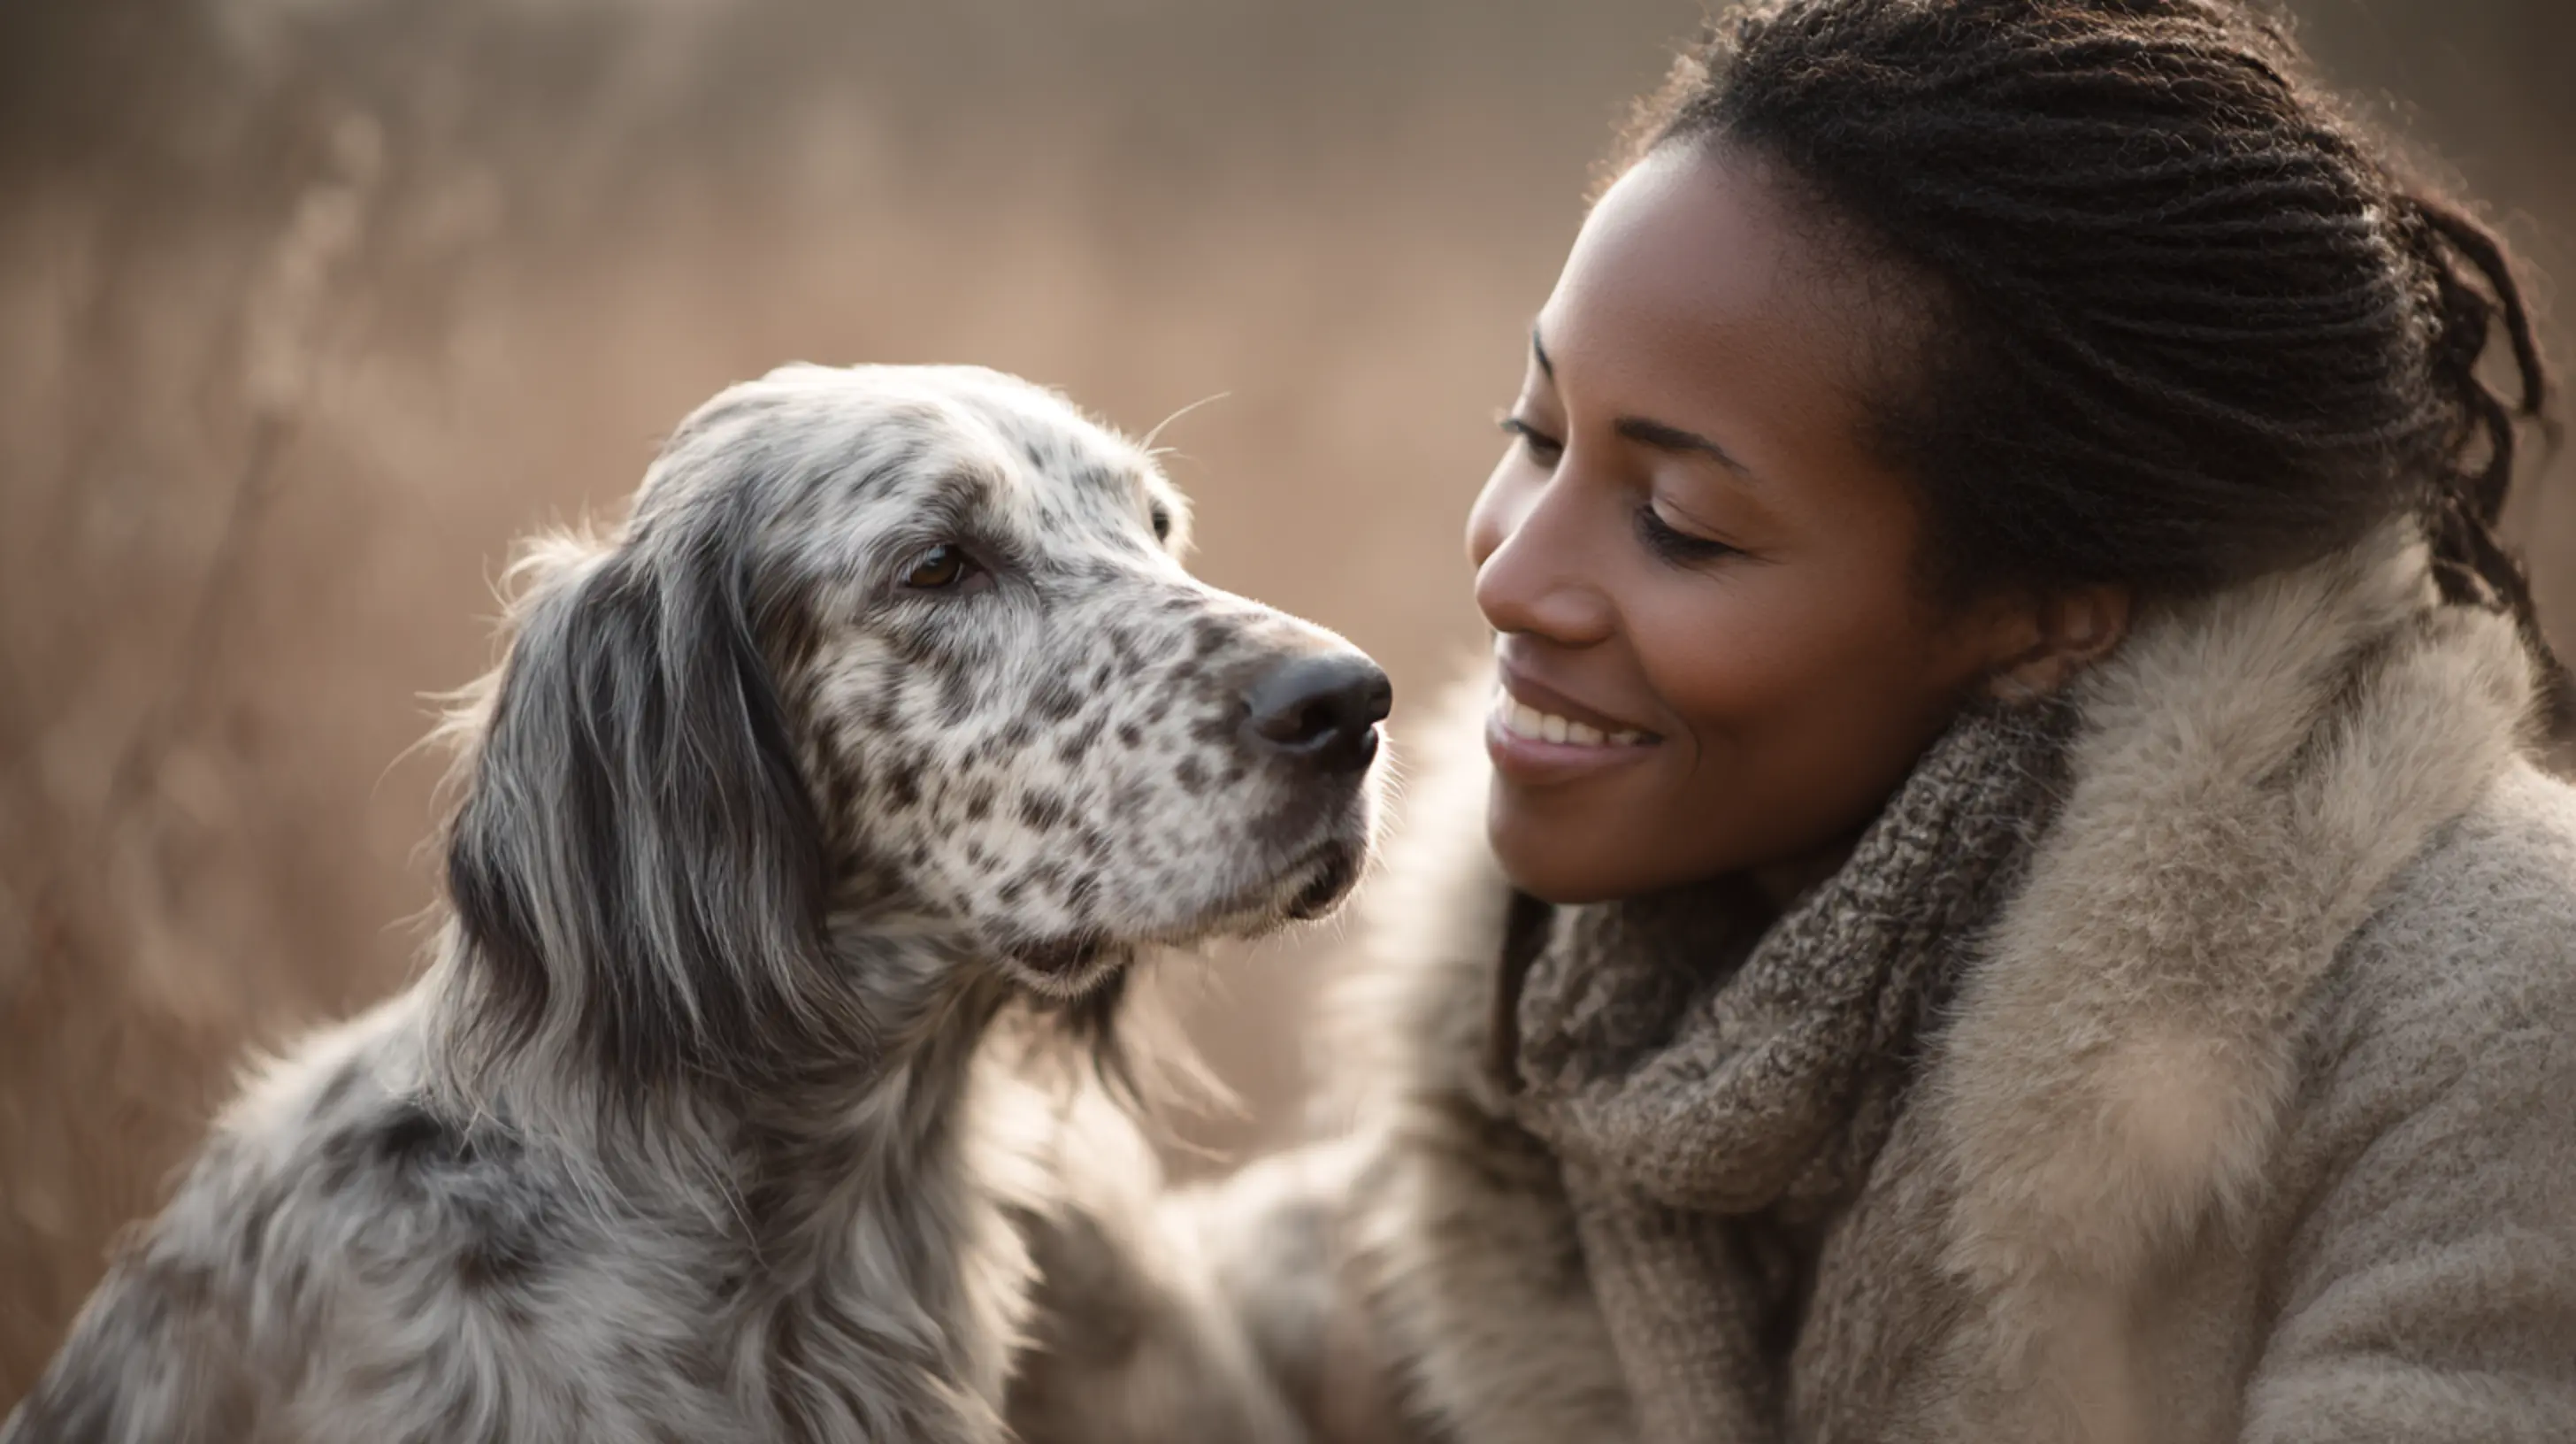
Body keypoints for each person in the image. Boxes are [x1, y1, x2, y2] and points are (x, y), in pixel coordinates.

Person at [1007, 2, 2576, 1440]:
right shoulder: (1612, 1027)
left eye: (1681, 524)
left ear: (2044, 611)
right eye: (1535, 435)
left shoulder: (2501, 1027)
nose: (1512, 577)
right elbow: (1201, 1352)